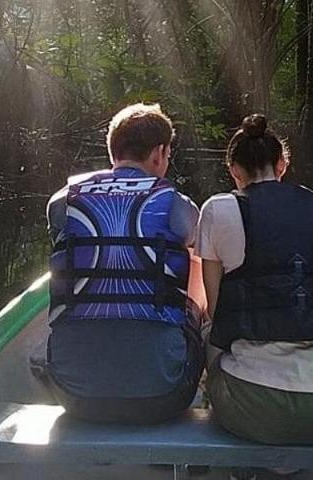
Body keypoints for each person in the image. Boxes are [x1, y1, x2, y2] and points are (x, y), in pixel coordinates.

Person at [198, 114, 313, 444]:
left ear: (234, 171)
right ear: (282, 165)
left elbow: (217, 314)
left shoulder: (217, 210)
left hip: (254, 407)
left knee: (202, 329)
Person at [45, 103, 205, 423]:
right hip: (163, 395)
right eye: (168, 156)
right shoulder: (177, 205)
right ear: (159, 153)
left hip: (71, 394)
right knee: (191, 260)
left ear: (112, 152)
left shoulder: (63, 201)